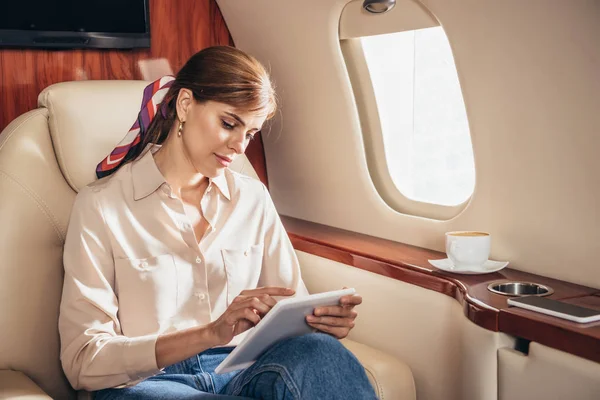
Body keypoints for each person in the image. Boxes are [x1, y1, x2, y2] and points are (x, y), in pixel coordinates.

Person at [58, 46, 378, 399]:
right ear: (184, 105)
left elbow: (288, 313)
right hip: (148, 384)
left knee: (322, 353)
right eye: (229, 124)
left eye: (251, 134)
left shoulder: (253, 199)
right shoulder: (101, 206)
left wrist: (319, 323)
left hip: (243, 373)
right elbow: (83, 361)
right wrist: (211, 333)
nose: (240, 146)